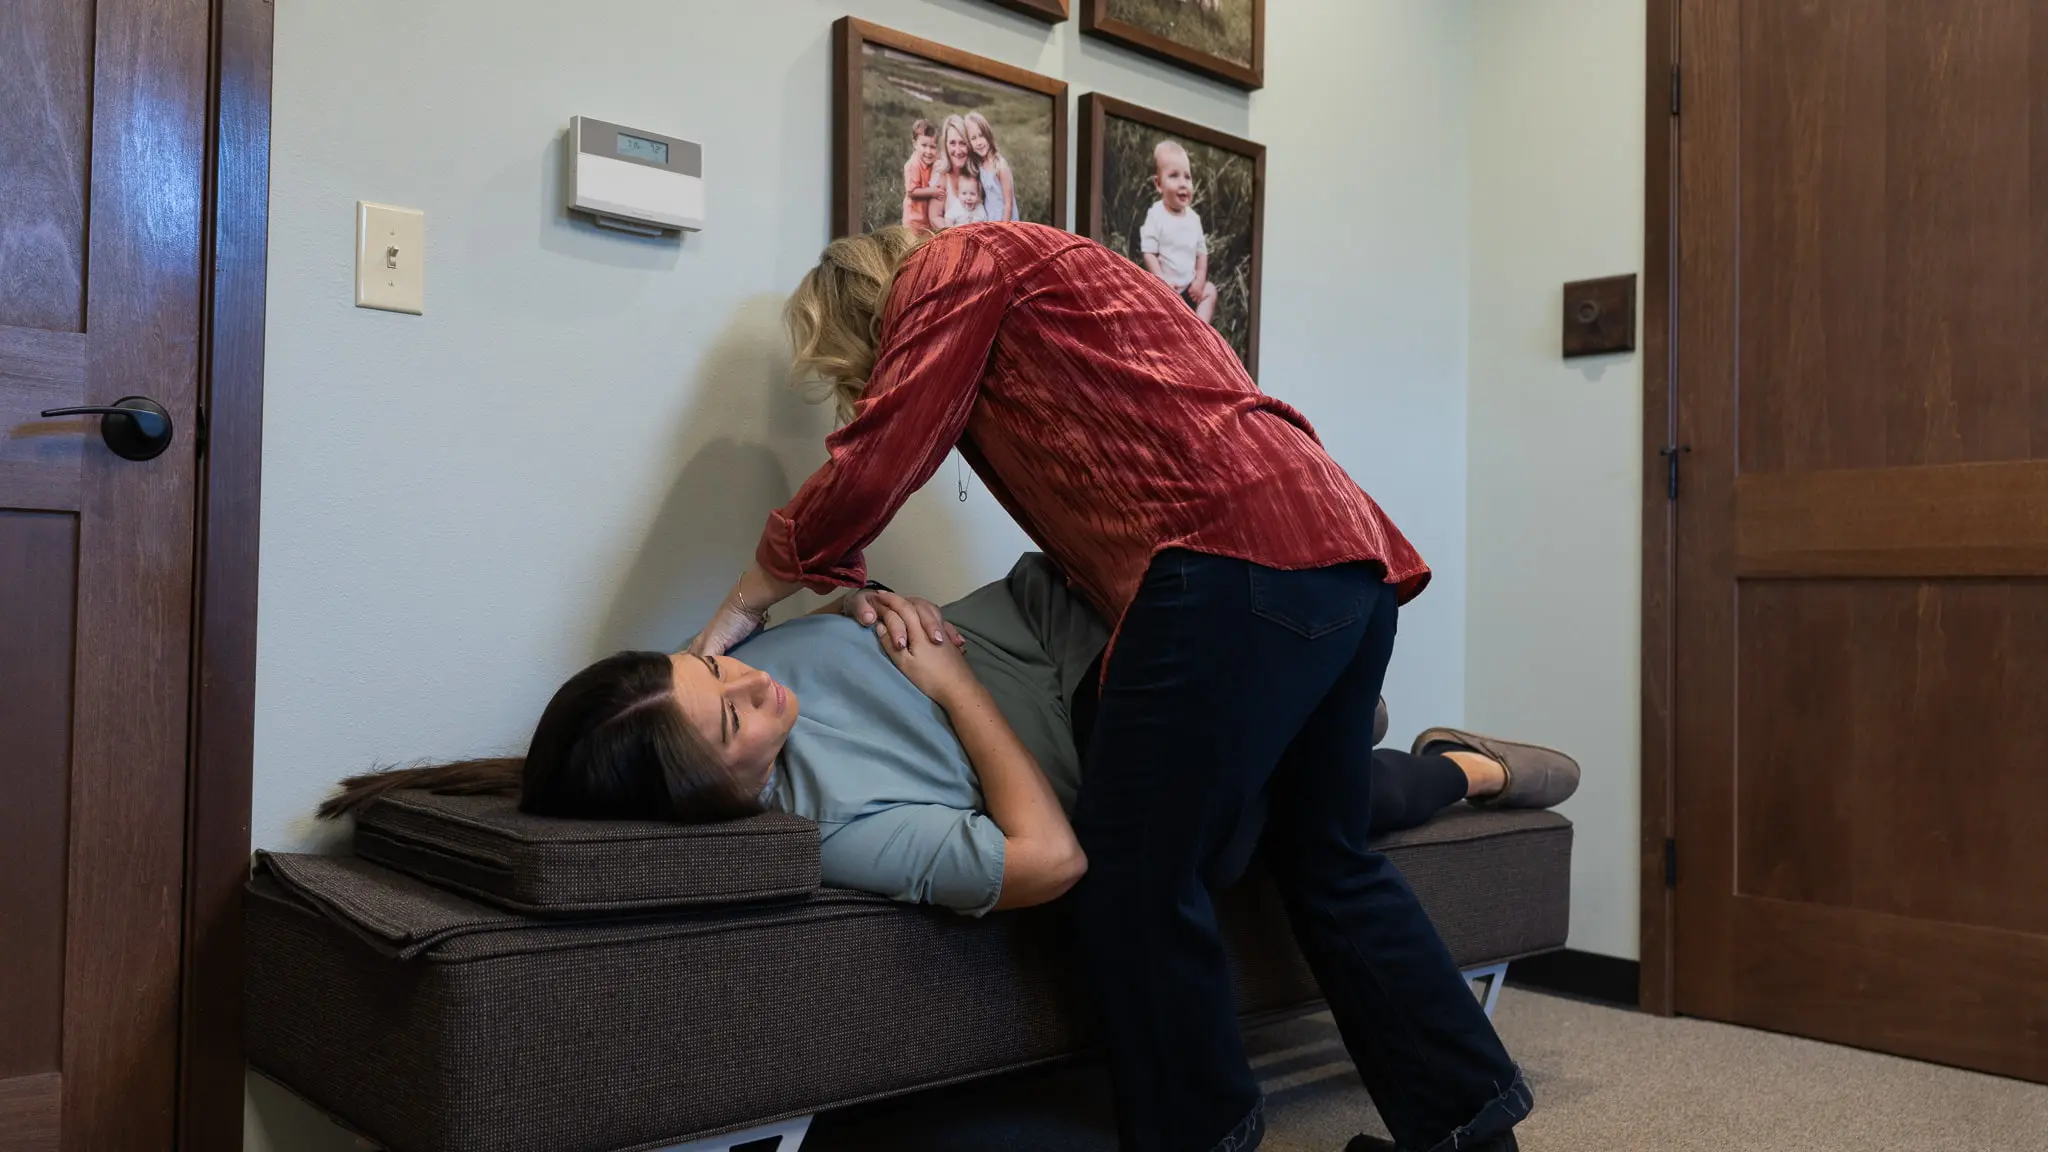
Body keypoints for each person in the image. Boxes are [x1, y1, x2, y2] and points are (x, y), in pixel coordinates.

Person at [684, 220, 1533, 1152]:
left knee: (1133, 882)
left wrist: (738, 612)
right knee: (1326, 857)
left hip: (1228, 568)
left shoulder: (956, 263)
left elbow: (878, 459)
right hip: (1342, 556)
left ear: (870, 313)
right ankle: (1470, 1130)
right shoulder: (1061, 272)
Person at [318, 556, 1581, 918]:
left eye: (715, 668)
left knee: (1270, 646)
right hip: (1117, 755)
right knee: (1301, 817)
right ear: (709, 795)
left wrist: (764, 616)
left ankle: (1326, 719)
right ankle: (1457, 770)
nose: (745, 685)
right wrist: (942, 681)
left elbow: (739, 632)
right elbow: (1049, 863)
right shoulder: (832, 834)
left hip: (1079, 622)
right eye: (728, 714)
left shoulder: (721, 680)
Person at [1140, 140, 1218, 324]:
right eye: (1174, 176)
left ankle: (1200, 329)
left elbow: (1201, 254)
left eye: (1187, 177)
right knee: (1148, 301)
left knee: (1210, 290)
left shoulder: (1193, 219)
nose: (1183, 184)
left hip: (1190, 288)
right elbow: (1149, 253)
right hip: (1167, 289)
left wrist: (1199, 281)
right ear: (1159, 184)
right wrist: (1161, 280)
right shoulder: (1156, 214)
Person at [927, 114, 979, 233]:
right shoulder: (941, 173)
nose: (958, 150)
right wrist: (953, 232)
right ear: (945, 145)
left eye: (962, 143)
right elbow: (935, 217)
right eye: (952, 143)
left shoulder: (976, 172)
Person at [965, 111, 1018, 223]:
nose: (979, 142)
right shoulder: (980, 164)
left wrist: (1004, 229)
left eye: (981, 136)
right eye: (973, 138)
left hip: (1006, 221)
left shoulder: (1000, 166)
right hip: (990, 219)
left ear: (988, 135)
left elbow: (1008, 203)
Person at [899, 119, 945, 234]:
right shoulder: (913, 165)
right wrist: (932, 192)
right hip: (913, 222)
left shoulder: (932, 162)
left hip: (926, 221)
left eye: (933, 147)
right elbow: (912, 192)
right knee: (914, 247)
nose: (928, 151)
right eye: (924, 145)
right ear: (915, 144)